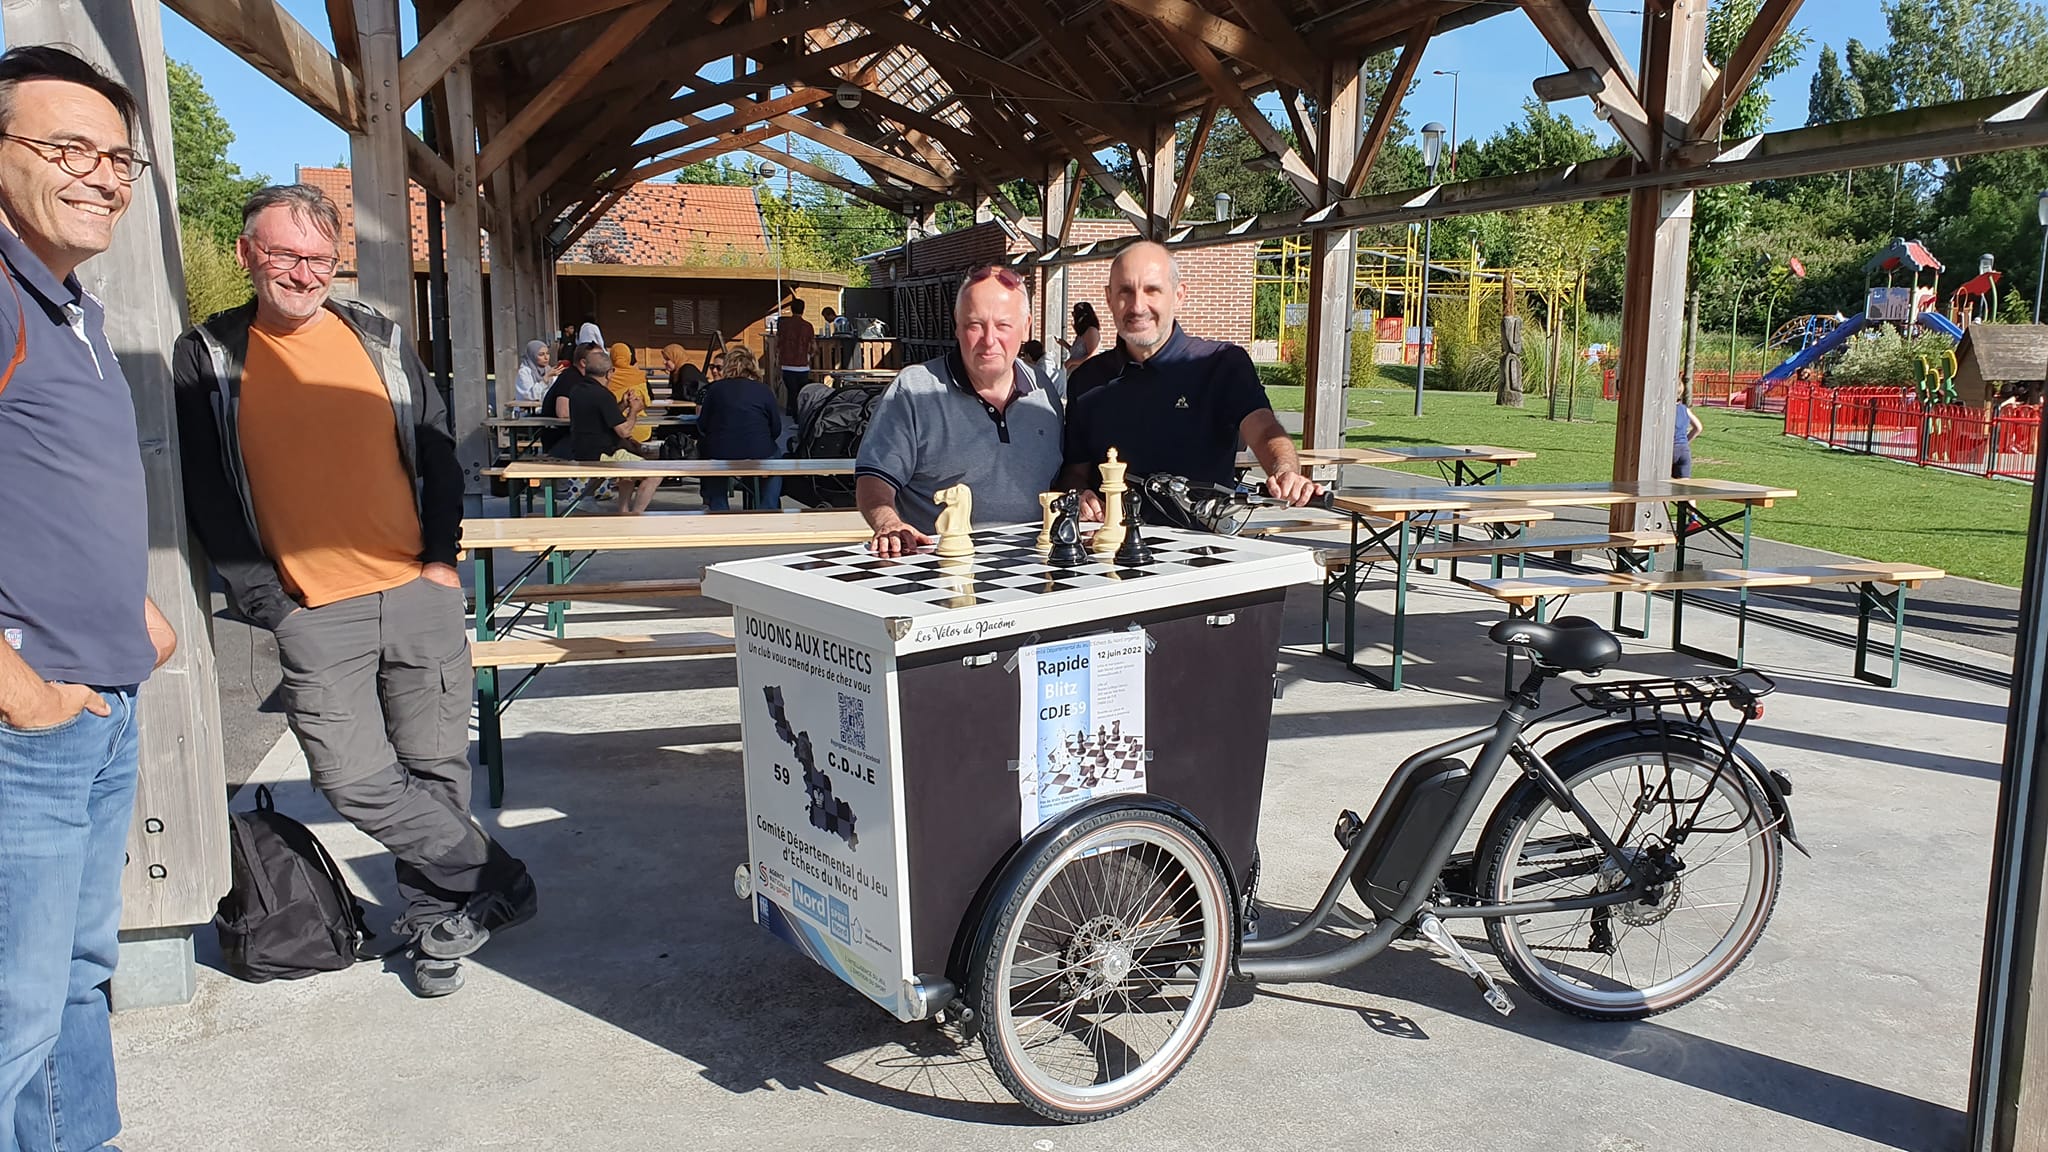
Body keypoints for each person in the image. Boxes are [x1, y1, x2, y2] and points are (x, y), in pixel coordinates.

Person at [172, 183, 535, 1000]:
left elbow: (439, 448)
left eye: (319, 258)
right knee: (353, 778)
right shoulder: (210, 353)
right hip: (311, 607)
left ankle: (437, 923)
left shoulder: (375, 335)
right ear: (246, 254)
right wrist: (270, 601)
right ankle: (498, 876)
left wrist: (443, 560)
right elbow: (205, 486)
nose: (302, 273)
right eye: (283, 254)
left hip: (415, 585)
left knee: (436, 765)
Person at [0, 46, 178, 1152]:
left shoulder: (70, 305)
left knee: (69, 978)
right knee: (11, 1009)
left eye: (119, 156)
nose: (102, 175)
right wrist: (19, 688)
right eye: (67, 147)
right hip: (31, 727)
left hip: (98, 702)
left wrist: (138, 610)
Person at [1059, 241, 1319, 513]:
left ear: (1179, 295)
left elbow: (1264, 429)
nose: (1137, 306)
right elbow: (1075, 471)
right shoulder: (1087, 380)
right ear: (1109, 299)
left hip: (1202, 547)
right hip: (1113, 547)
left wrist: (1285, 470)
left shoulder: (1222, 363)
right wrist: (1079, 495)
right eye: (1125, 291)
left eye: (1152, 290)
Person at [856, 265, 1064, 555]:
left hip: (1033, 567)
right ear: (957, 324)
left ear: (1026, 326)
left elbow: (1059, 477)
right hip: (940, 571)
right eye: (974, 325)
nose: (989, 340)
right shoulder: (914, 388)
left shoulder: (1044, 391)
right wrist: (889, 521)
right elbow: (874, 476)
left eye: (1003, 325)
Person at [697, 345, 787, 511]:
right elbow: (776, 429)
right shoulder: (764, 390)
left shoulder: (715, 389)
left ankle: (719, 509)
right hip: (758, 451)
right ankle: (768, 508)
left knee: (711, 457)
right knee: (776, 459)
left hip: (721, 452)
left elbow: (702, 425)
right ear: (752, 366)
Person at [605, 341, 654, 453]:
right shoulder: (639, 375)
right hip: (642, 428)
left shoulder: (607, 377)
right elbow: (646, 402)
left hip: (616, 431)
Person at [776, 297, 815, 417]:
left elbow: (778, 344)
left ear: (791, 309)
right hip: (802, 365)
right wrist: (810, 356)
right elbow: (813, 346)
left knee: (791, 391)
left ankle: (791, 411)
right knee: (800, 392)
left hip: (787, 364)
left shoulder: (783, 325)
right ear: (803, 310)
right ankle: (798, 416)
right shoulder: (808, 326)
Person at [1059, 300, 1101, 377]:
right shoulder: (1082, 333)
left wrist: (1072, 362)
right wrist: (1065, 345)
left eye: (1074, 314)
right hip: (1073, 375)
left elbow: (1092, 355)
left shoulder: (1091, 331)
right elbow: (1078, 353)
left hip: (1085, 375)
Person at [1673, 385, 1704, 479]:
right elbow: (1698, 428)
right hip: (1683, 450)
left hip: (1670, 449)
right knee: (1684, 486)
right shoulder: (1685, 409)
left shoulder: (1665, 410)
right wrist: (1686, 441)